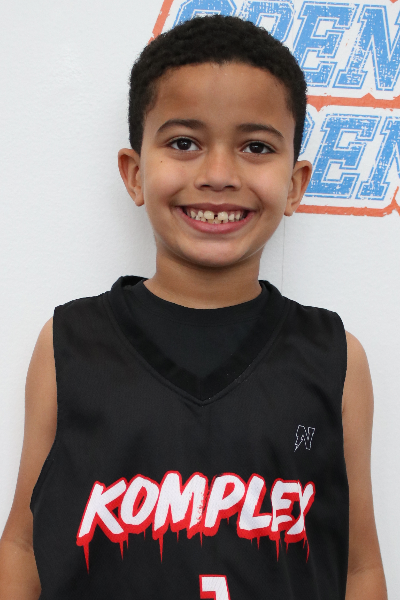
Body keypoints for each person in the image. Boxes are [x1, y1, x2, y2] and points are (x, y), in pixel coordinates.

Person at [0, 14, 387, 600]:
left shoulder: (336, 359)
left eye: (256, 147)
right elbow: (23, 546)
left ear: (294, 184)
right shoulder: (68, 342)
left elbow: (358, 567)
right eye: (184, 143)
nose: (219, 175)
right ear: (135, 174)